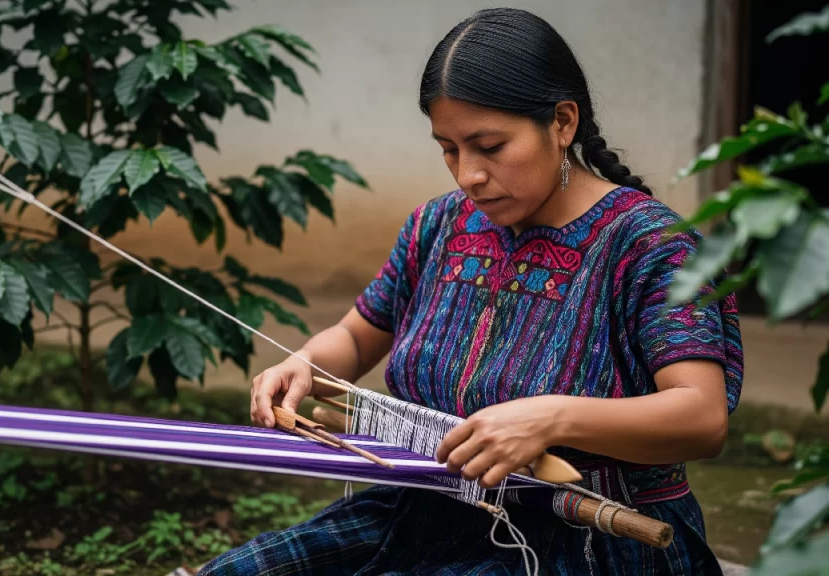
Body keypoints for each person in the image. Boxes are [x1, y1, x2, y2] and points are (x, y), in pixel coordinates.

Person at [198, 7, 742, 575]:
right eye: (449, 148)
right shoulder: (439, 226)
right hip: (433, 508)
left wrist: (550, 419)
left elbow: (700, 419)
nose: (467, 175)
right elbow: (357, 338)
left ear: (562, 121)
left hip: (590, 533)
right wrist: (305, 363)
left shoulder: (653, 247)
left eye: (489, 146)